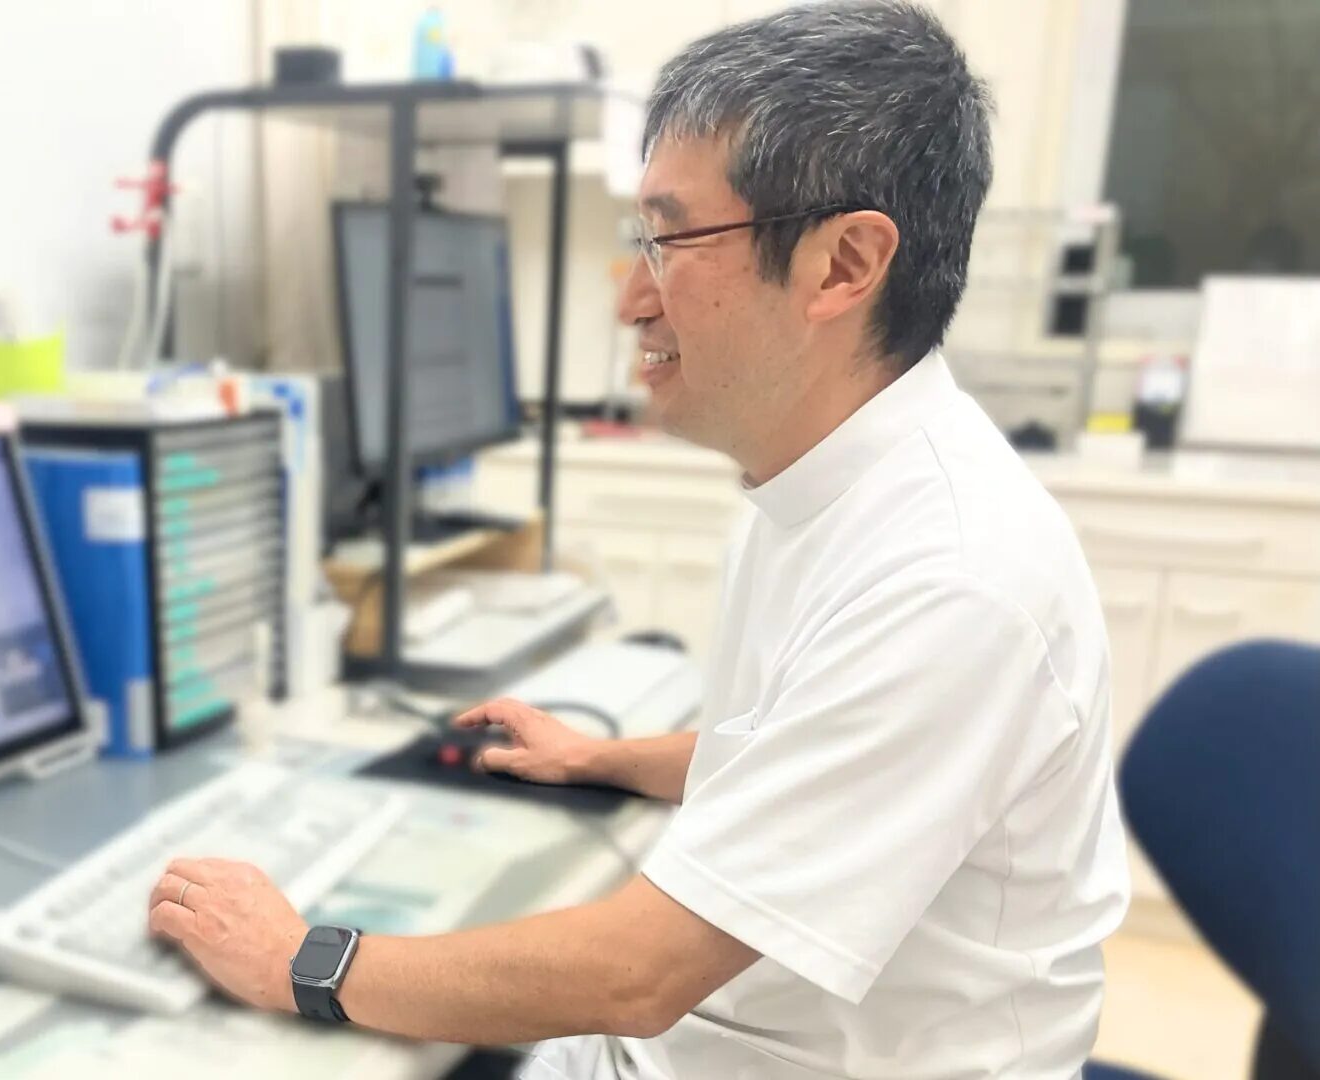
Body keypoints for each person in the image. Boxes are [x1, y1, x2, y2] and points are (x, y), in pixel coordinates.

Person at [147, 2, 1130, 1076]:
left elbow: (640, 972)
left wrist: (299, 960)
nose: (630, 300)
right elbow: (798, 751)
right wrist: (599, 758)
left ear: (844, 264)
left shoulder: (953, 578)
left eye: (670, 241)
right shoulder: (823, 483)